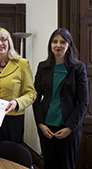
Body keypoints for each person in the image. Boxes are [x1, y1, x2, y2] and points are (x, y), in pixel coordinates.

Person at [33, 28, 89, 169]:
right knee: (49, 165)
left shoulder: (78, 68)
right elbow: (35, 97)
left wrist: (70, 127)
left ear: (69, 45)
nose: (58, 45)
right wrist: (40, 124)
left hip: (68, 127)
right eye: (55, 41)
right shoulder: (43, 67)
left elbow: (83, 102)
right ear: (50, 45)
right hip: (46, 127)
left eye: (62, 42)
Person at [0, 27, 37, 153]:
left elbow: (31, 93)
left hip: (12, 120)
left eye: (3, 39)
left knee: (10, 156)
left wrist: (17, 103)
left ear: (9, 42)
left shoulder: (22, 64)